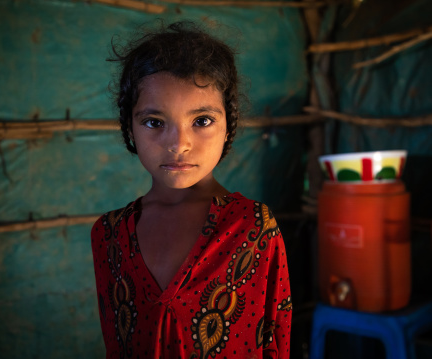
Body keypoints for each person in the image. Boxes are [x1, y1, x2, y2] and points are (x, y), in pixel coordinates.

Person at [91, 21, 292, 359]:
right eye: (155, 122)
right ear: (130, 128)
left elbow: (275, 342)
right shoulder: (109, 237)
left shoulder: (252, 228)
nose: (179, 144)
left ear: (229, 123)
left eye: (201, 121)